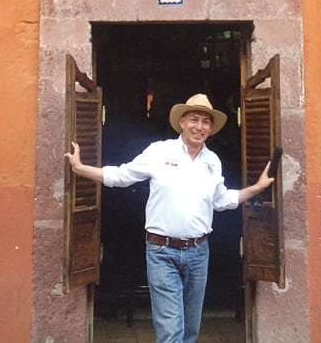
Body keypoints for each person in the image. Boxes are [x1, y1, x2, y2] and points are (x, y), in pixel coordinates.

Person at [64, 92, 275, 343]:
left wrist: (256, 188)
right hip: (162, 251)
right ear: (182, 122)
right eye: (194, 120)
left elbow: (221, 200)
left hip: (199, 252)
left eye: (205, 122)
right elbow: (121, 176)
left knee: (190, 329)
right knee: (171, 331)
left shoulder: (212, 162)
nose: (199, 127)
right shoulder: (159, 151)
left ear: (211, 128)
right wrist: (80, 168)